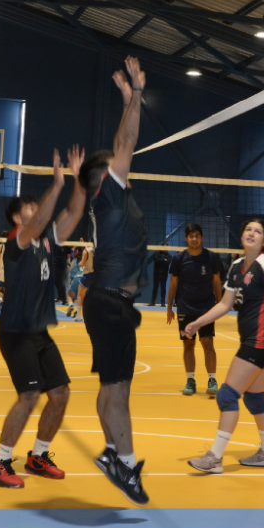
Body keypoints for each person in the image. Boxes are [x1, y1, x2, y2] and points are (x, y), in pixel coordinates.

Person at [0, 146, 86, 490]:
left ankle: (38, 455)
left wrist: (78, 182)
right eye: (30, 207)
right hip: (15, 331)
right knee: (29, 397)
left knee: (60, 394)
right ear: (18, 217)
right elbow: (42, 218)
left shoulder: (44, 241)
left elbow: (71, 214)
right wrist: (55, 184)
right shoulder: (18, 240)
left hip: (39, 332)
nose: (35, 211)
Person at [78, 56, 150, 505]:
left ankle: (110, 453)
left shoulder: (111, 200)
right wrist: (137, 95)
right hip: (110, 301)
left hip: (106, 301)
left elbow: (121, 143)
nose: (125, 162)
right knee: (118, 391)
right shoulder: (109, 189)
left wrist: (126, 100)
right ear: (105, 175)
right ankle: (125, 463)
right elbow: (125, 142)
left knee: (109, 388)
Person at [186, 219, 264, 473]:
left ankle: (215, 457)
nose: (252, 233)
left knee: (227, 394)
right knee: (255, 399)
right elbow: (225, 305)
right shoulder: (237, 266)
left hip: (261, 342)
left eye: (257, 231)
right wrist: (198, 322)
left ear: (263, 241)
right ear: (242, 236)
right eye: (248, 229)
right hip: (252, 340)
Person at [166, 223, 223, 397]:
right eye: (191, 236)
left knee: (208, 343)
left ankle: (212, 380)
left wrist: (220, 305)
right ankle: (190, 380)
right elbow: (174, 283)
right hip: (185, 307)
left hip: (206, 308)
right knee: (188, 344)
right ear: (186, 238)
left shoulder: (212, 257)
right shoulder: (179, 259)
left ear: (202, 238)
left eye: (197, 235)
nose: (194, 239)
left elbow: (216, 282)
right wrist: (169, 307)